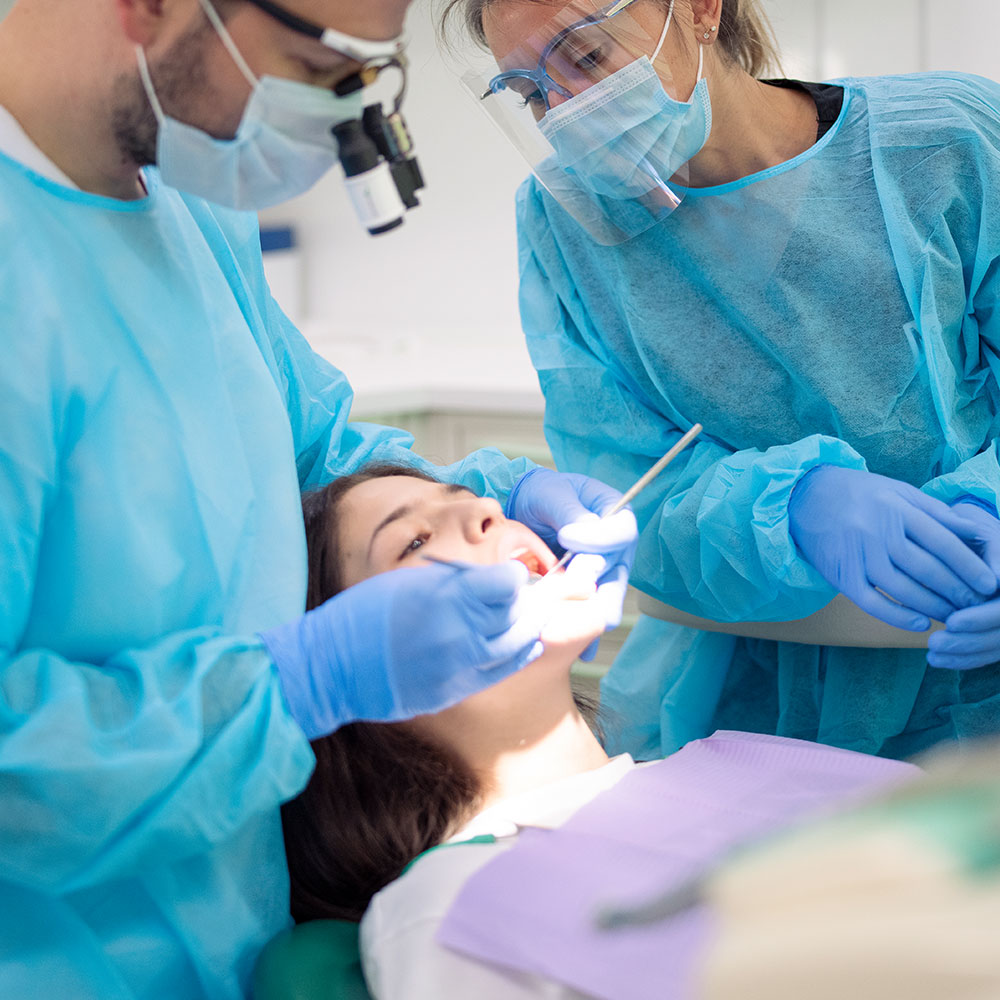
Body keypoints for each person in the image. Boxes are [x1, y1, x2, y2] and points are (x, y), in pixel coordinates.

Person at [0, 1, 639, 996]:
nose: (342, 112)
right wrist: (300, 685)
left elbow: (317, 450)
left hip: (240, 934)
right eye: (318, 59)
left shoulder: (189, 199)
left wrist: (501, 491)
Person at [440, 0, 1000, 762]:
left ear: (701, 9)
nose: (565, 113)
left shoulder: (947, 142)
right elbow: (625, 484)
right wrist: (793, 507)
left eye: (587, 58)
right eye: (532, 92)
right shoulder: (562, 222)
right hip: (740, 700)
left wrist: (986, 502)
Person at [280, 462, 919, 1000]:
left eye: (469, 499)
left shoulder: (742, 768)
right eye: (412, 543)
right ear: (351, 675)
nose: (484, 508)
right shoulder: (454, 906)